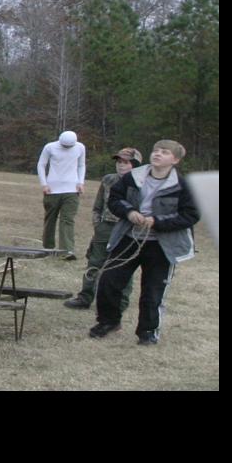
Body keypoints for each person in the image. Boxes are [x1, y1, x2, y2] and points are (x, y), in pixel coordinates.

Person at [92, 140, 199, 346]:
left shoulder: (182, 185)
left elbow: (190, 215)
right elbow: (114, 199)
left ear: (175, 160)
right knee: (109, 281)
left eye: (164, 152)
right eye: (156, 150)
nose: (157, 154)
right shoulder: (133, 176)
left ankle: (147, 331)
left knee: (152, 291)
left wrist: (157, 221)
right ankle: (108, 322)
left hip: (161, 245)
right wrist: (129, 212)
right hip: (129, 238)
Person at [65, 146, 141, 310]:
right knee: (94, 262)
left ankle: (120, 302)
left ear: (135, 165)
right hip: (105, 227)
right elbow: (98, 206)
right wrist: (98, 225)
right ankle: (85, 297)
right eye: (119, 162)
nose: (121, 165)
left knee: (123, 266)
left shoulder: (141, 183)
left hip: (127, 230)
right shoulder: (108, 180)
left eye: (126, 162)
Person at [37, 130, 86, 258]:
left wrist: (80, 182)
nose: (67, 148)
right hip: (52, 190)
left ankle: (67, 250)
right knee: (50, 219)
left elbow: (81, 165)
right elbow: (41, 165)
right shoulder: (50, 147)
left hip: (72, 190)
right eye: (64, 146)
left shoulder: (80, 147)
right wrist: (44, 184)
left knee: (68, 219)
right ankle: (48, 247)